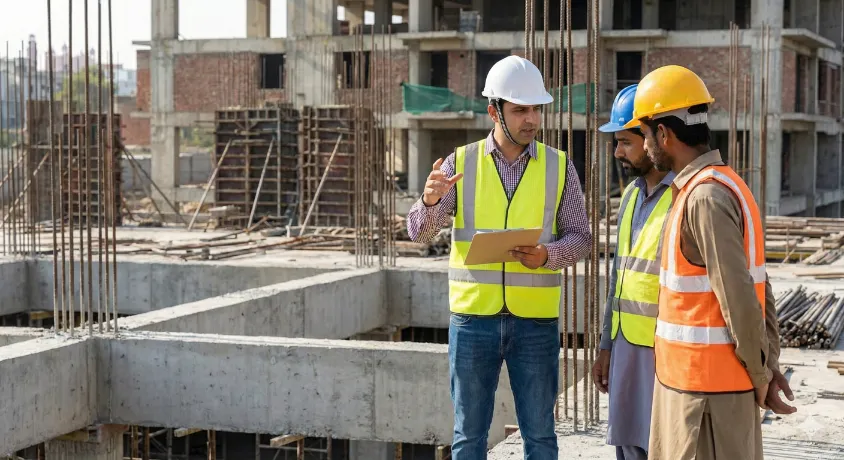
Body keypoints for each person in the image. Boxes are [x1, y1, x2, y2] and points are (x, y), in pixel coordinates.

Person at [406, 55, 592, 460]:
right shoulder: (461, 163)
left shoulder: (560, 168)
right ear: (494, 112)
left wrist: (547, 254)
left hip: (535, 323)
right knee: (468, 439)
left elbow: (582, 238)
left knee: (541, 437)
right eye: (520, 109)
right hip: (473, 321)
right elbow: (420, 231)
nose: (531, 120)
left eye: (536, 109)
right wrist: (429, 199)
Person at [620, 65, 796, 460]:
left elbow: (740, 300)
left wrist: (762, 375)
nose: (646, 146)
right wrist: (766, 365)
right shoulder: (723, 185)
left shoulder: (704, 198)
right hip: (697, 391)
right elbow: (759, 286)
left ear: (663, 134)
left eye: (646, 134)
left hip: (705, 400)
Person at [592, 84, 673, 460]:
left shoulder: (685, 197)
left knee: (659, 446)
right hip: (627, 347)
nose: (617, 152)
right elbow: (617, 279)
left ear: (654, 138)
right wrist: (606, 346)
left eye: (625, 141)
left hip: (664, 354)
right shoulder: (629, 196)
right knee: (627, 447)